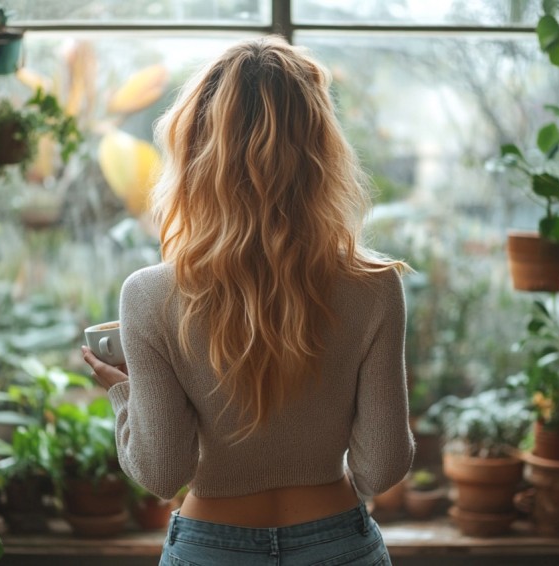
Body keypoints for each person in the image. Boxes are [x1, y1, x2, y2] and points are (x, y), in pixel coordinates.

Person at [81, 35, 414, 565]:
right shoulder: (374, 286)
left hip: (211, 549)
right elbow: (382, 466)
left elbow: (164, 471)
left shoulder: (148, 296)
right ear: (321, 153)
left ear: (192, 149)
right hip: (338, 545)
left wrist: (124, 394)